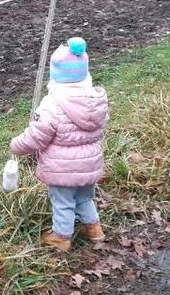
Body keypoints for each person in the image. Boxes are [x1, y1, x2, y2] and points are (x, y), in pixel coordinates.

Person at [10, 37, 109, 251]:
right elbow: (102, 128)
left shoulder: (52, 104)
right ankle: (94, 229)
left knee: (62, 202)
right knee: (85, 198)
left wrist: (17, 145)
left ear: (56, 74)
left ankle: (62, 237)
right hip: (89, 165)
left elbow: (37, 135)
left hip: (62, 168)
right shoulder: (96, 100)